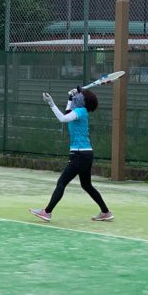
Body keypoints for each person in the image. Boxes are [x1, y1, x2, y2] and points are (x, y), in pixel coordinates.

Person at [30, 87, 113, 223]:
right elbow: (68, 114)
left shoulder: (80, 111)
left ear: (82, 100)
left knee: (61, 182)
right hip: (86, 154)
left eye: (80, 94)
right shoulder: (79, 112)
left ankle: (47, 212)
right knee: (86, 185)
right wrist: (70, 98)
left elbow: (63, 118)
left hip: (79, 155)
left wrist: (51, 103)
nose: (77, 96)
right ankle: (105, 212)